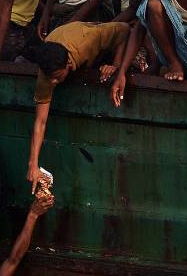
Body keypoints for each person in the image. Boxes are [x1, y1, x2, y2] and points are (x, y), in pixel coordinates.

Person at [25, 21, 129, 193]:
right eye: (50, 78)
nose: (53, 82)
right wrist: (33, 164)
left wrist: (116, 64)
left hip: (90, 36)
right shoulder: (46, 75)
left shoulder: (88, 41)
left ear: (67, 64)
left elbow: (125, 30)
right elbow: (40, 121)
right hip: (62, 37)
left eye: (57, 77)